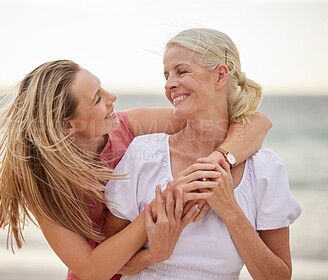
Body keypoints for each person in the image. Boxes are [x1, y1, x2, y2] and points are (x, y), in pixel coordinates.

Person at [0, 59, 272, 280]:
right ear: (68, 125)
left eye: (103, 88)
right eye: (97, 98)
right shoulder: (44, 185)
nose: (112, 97)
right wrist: (159, 213)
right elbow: (91, 269)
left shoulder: (131, 126)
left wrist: (219, 158)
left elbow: (254, 122)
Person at [105, 28, 301, 280]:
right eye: (166, 75)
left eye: (181, 71)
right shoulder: (143, 155)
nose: (169, 84)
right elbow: (109, 261)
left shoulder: (265, 168)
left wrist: (230, 210)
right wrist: (155, 252)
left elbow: (279, 276)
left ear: (220, 75)